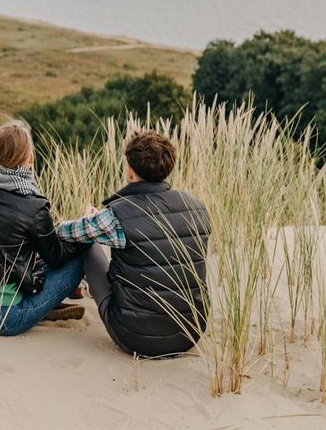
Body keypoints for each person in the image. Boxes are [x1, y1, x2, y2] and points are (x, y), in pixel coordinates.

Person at [57, 129, 211, 357]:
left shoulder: (117, 216)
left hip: (134, 336)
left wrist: (91, 220)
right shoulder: (197, 207)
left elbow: (65, 232)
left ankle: (72, 291)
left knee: (86, 244)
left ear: (130, 172)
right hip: (190, 333)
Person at [0, 120, 85, 336]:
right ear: (29, 159)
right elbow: (57, 258)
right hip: (1, 317)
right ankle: (40, 307)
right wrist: (82, 234)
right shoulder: (33, 206)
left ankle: (40, 307)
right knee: (77, 261)